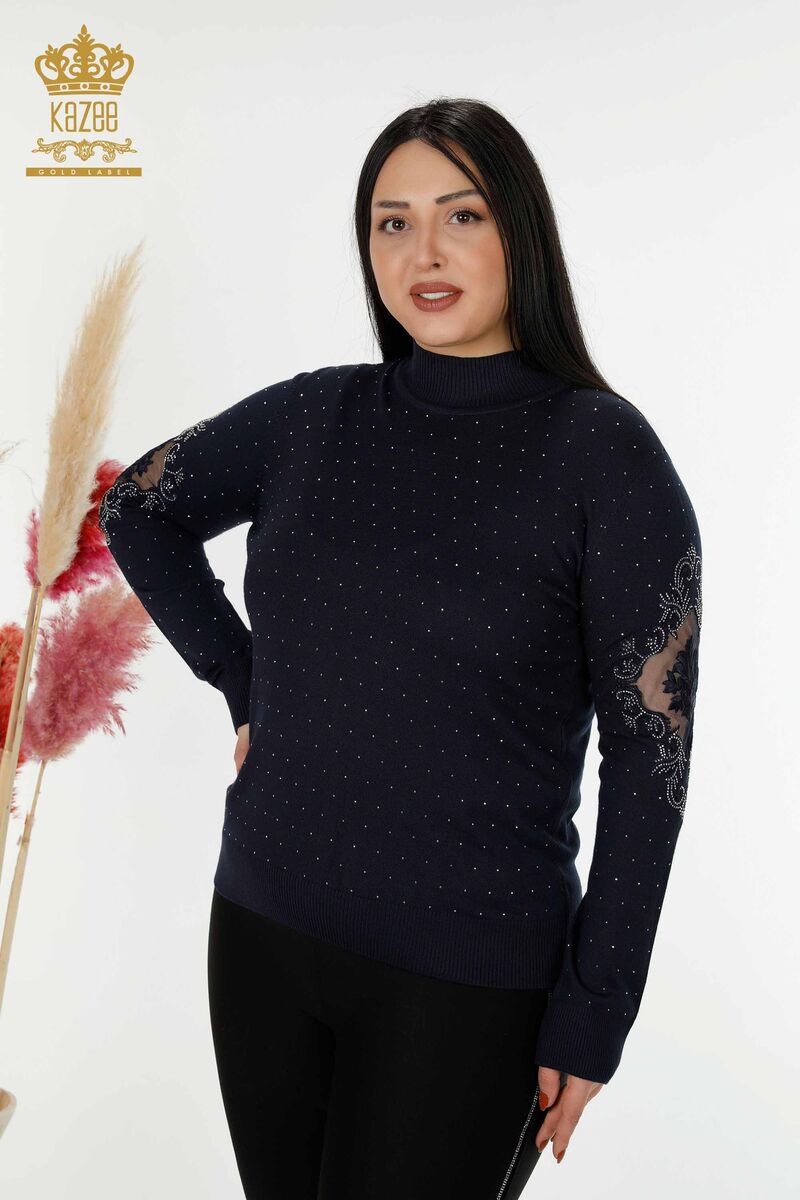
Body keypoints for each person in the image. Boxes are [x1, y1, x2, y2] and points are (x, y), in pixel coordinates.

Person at [99, 97, 702, 1198]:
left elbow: (648, 759)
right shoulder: (310, 418)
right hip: (263, 935)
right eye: (392, 222)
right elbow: (138, 507)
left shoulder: (602, 456)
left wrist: (597, 1005)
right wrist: (245, 682)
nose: (423, 253)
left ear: (520, 231)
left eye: (461, 216)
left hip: (468, 983)